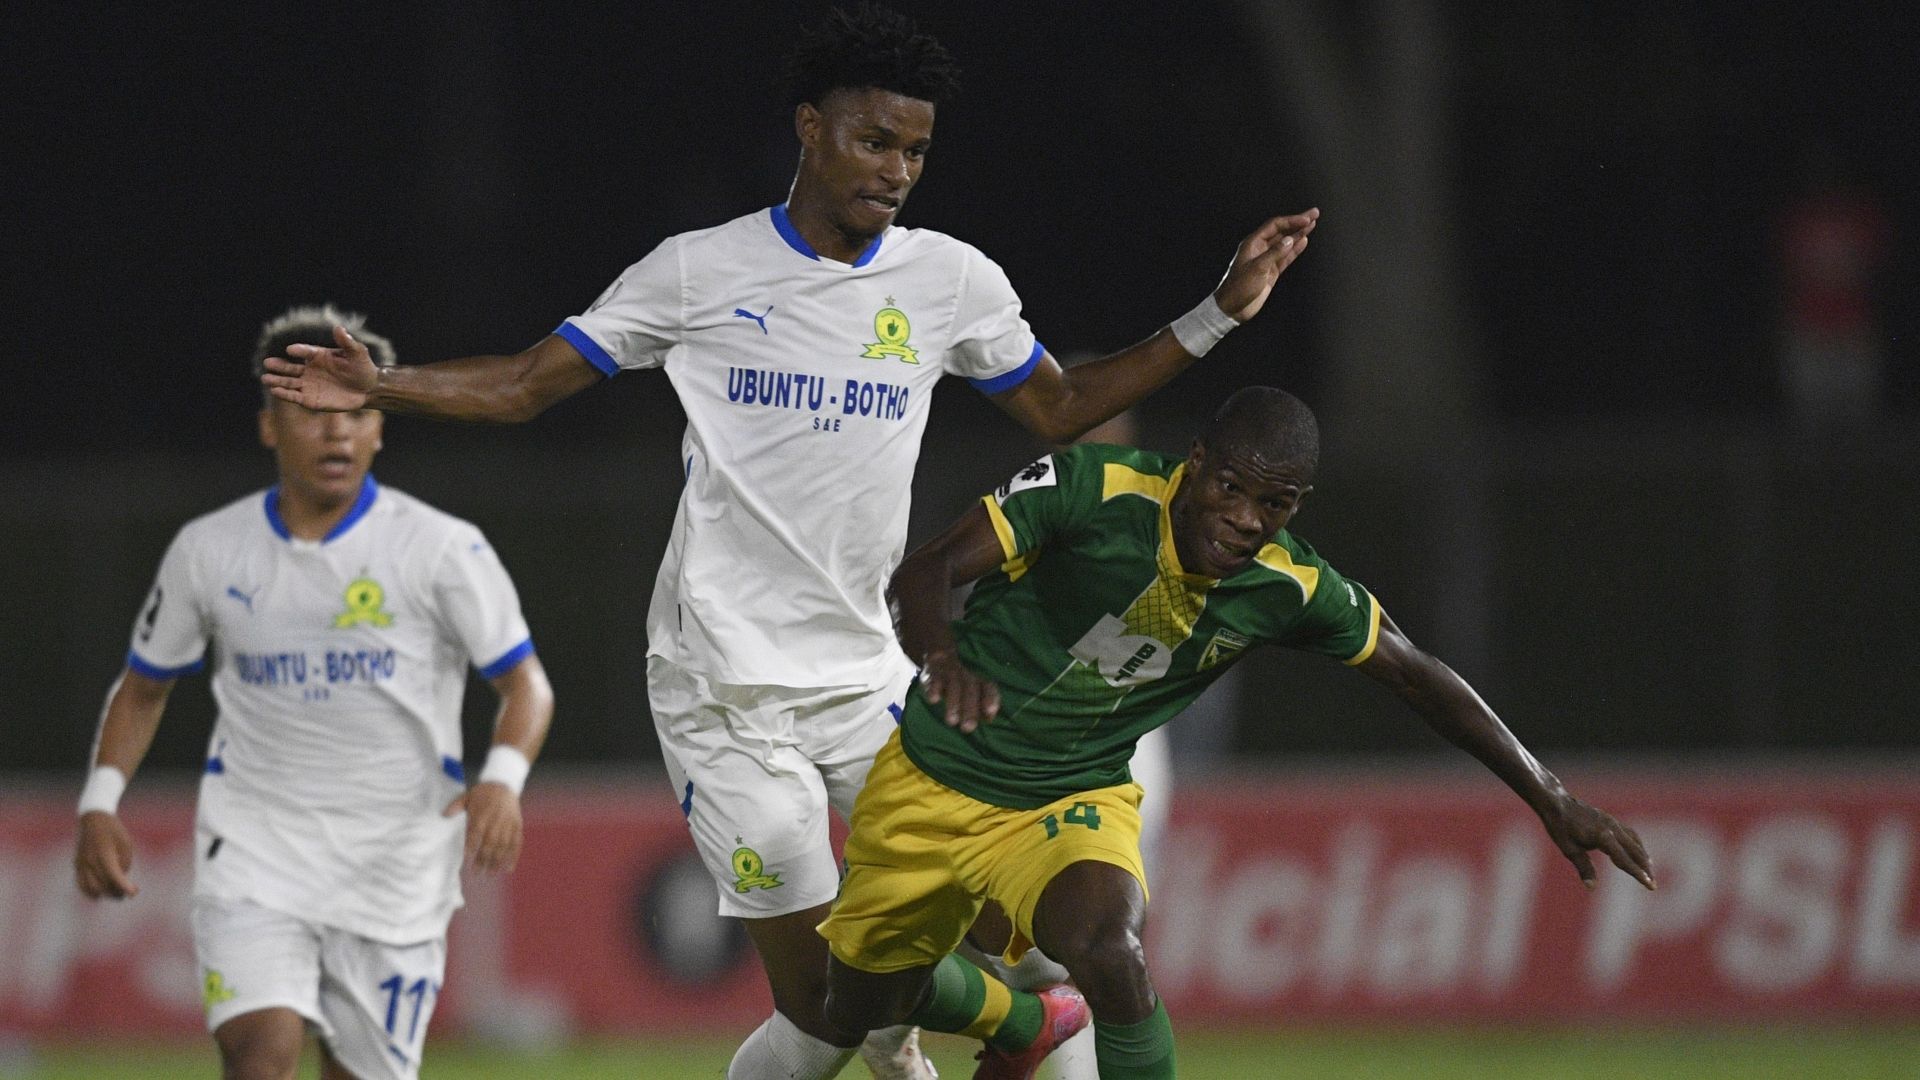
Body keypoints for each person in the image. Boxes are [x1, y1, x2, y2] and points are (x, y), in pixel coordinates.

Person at [259, 6, 1317, 1076]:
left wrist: (1217, 312)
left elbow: (1062, 405)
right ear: (810, 128)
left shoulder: (948, 283)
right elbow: (529, 384)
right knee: (822, 1004)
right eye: (874, 141)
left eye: (915, 150)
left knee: (1036, 939)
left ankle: (988, 1023)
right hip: (722, 686)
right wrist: (383, 382)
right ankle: (1005, 1033)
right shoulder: (698, 272)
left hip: (867, 674)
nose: (897, 169)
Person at [819, 386, 1657, 1080]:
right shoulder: (1092, 488)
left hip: (1072, 796)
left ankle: (1044, 1006)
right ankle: (1021, 1021)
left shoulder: (1287, 585)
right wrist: (941, 657)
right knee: (851, 1002)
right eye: (1231, 487)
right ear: (1194, 463)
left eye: (1275, 503)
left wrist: (1549, 796)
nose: (1247, 518)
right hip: (936, 777)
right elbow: (923, 571)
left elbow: (1415, 673)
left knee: (1113, 953)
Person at [74, 306, 555, 1080]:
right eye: (310, 411)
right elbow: (143, 687)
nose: (336, 432)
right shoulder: (209, 550)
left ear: (380, 427)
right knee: (259, 1057)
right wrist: (100, 800)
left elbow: (524, 685)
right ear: (269, 426)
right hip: (256, 853)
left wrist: (502, 781)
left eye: (357, 410)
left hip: (396, 865)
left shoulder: (441, 549)